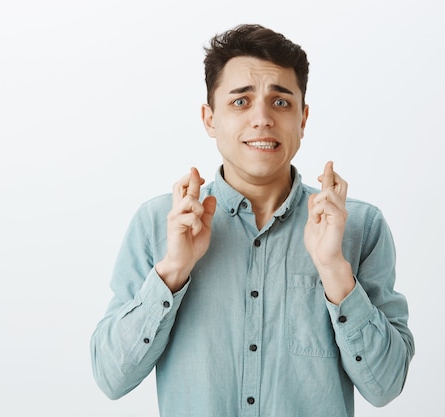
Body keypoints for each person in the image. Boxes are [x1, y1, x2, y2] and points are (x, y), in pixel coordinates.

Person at [90, 23, 414, 417]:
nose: (262, 119)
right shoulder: (159, 223)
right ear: (210, 119)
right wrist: (172, 271)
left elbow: (386, 386)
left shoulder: (359, 226)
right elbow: (111, 377)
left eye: (281, 102)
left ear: (303, 119)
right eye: (240, 102)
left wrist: (334, 271)